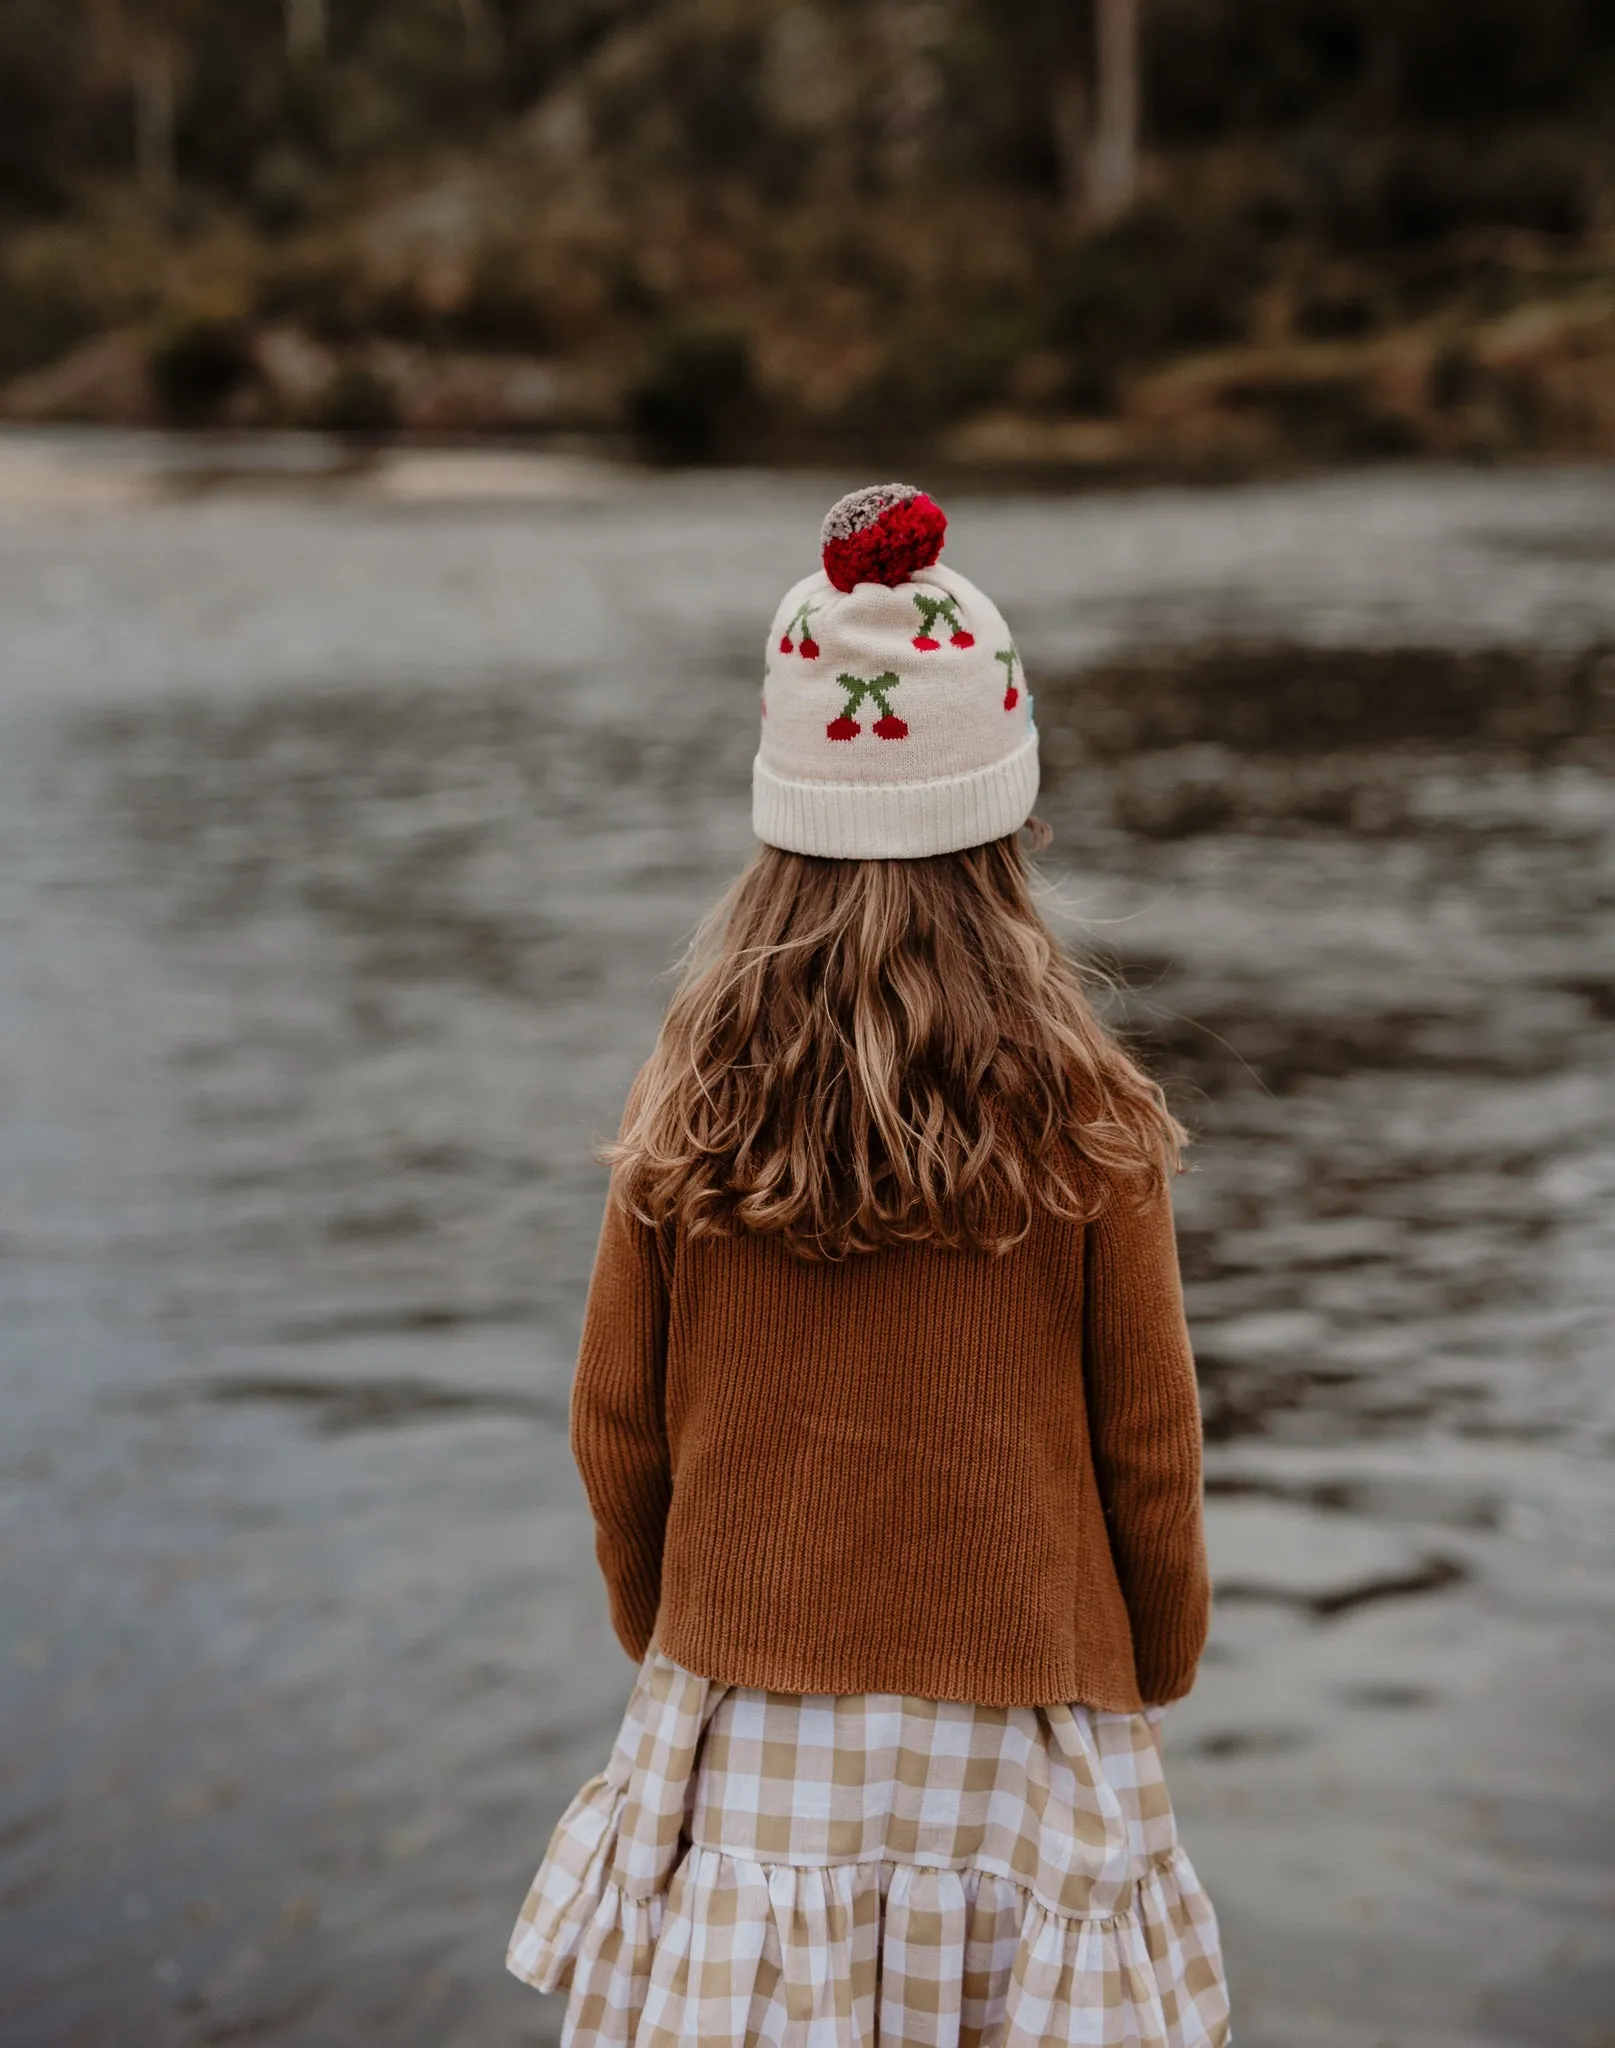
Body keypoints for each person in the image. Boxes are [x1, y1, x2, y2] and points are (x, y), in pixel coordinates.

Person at [508, 482, 1230, 2047]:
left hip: (747, 1725)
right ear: (1011, 828)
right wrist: (1149, 1656)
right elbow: (1149, 1449)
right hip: (1029, 1730)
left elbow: (613, 1428)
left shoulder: (685, 1109)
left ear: (778, 821)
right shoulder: (1089, 1120)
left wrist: (670, 1630)